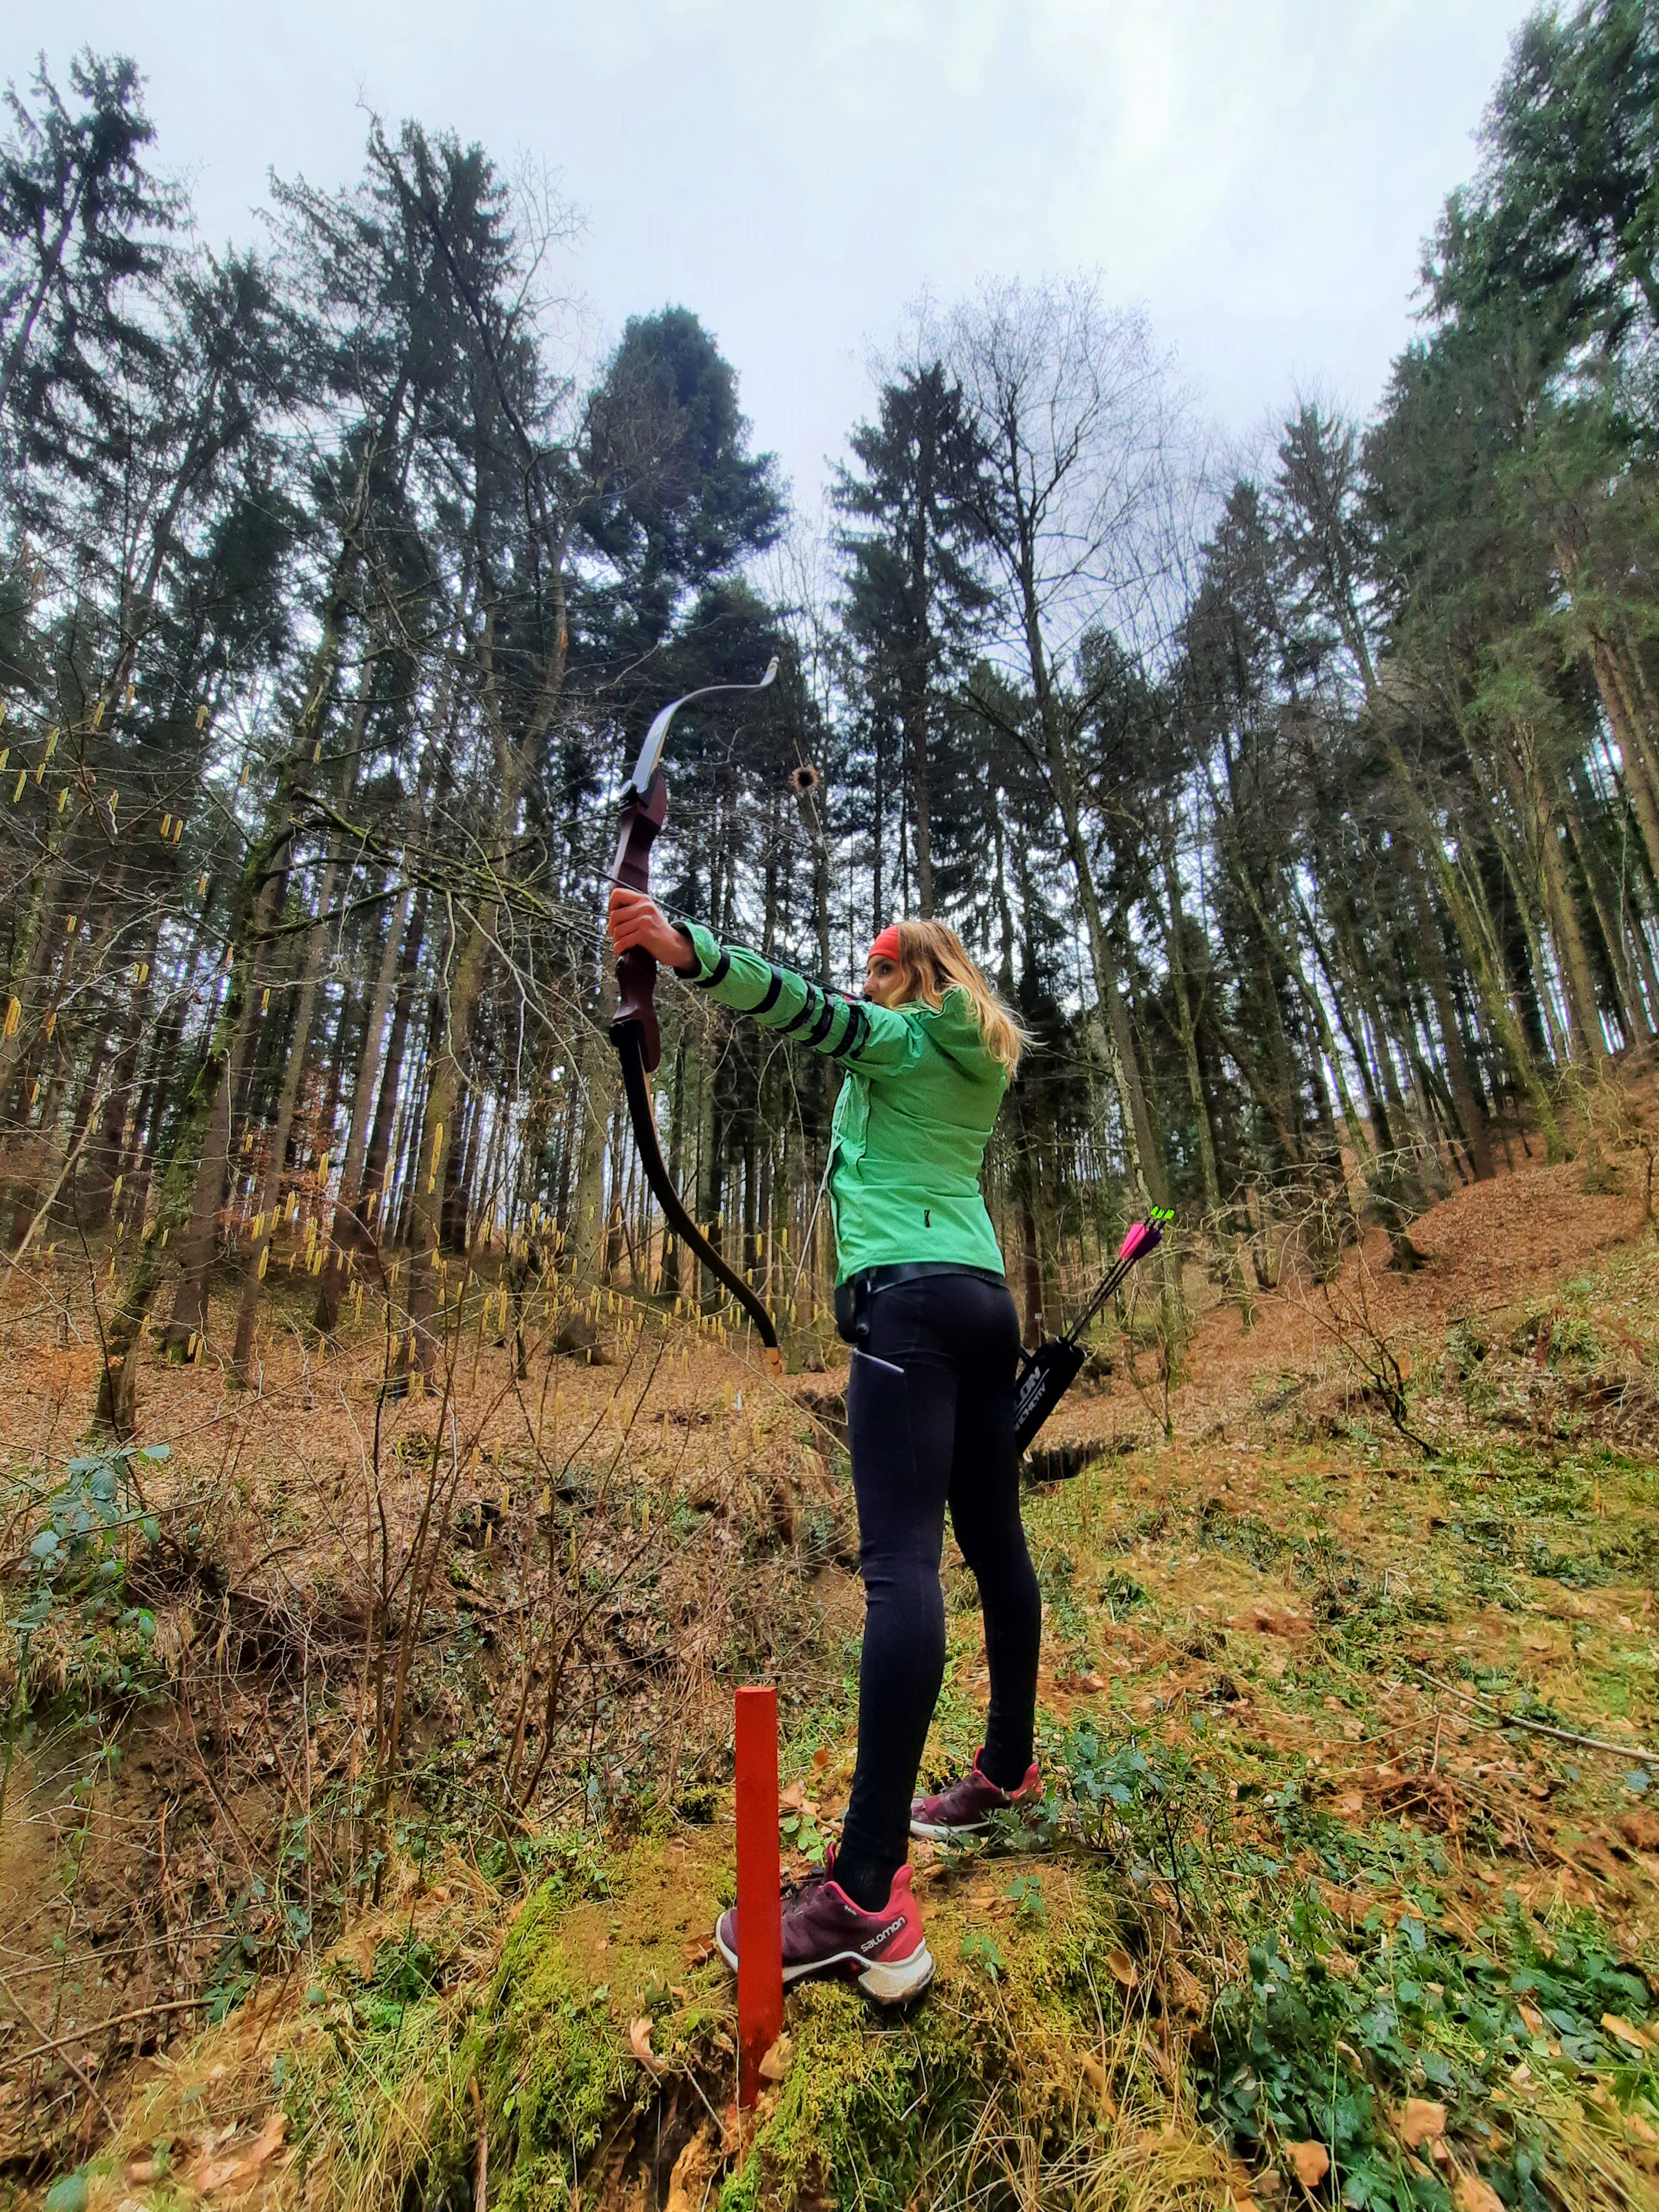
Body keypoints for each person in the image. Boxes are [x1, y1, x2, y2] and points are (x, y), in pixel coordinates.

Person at [607, 889, 1044, 2005]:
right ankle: (1007, 1767)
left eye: (880, 967)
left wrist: (681, 948)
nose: (865, 983)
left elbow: (799, 1006)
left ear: (915, 974)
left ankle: (864, 1894)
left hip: (910, 1307)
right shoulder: (977, 1055)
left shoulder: (902, 1036)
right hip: (983, 1299)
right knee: (994, 1539)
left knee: (902, 1567)